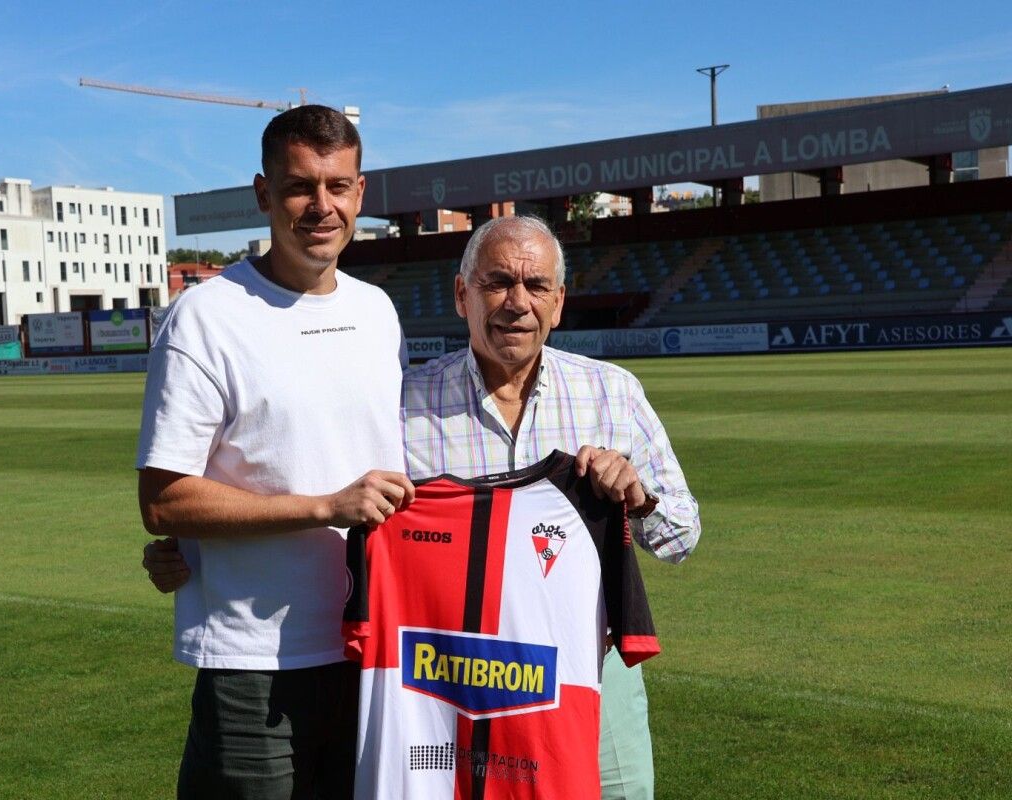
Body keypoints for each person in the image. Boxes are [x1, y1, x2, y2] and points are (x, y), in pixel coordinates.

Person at [146, 215, 701, 800]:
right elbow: (338, 505)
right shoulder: (404, 404)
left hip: (584, 671)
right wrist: (191, 547)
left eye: (536, 286)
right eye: (496, 283)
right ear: (462, 295)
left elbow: (682, 535)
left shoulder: (612, 393)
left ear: (559, 303)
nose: (517, 303)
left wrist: (639, 501)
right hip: (444, 678)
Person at [136, 104, 415, 800]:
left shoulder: (378, 311)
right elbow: (164, 498)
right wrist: (325, 506)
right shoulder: (205, 318)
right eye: (299, 187)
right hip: (255, 664)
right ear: (264, 193)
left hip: (374, 650)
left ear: (361, 193)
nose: (320, 206)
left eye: (337, 185)